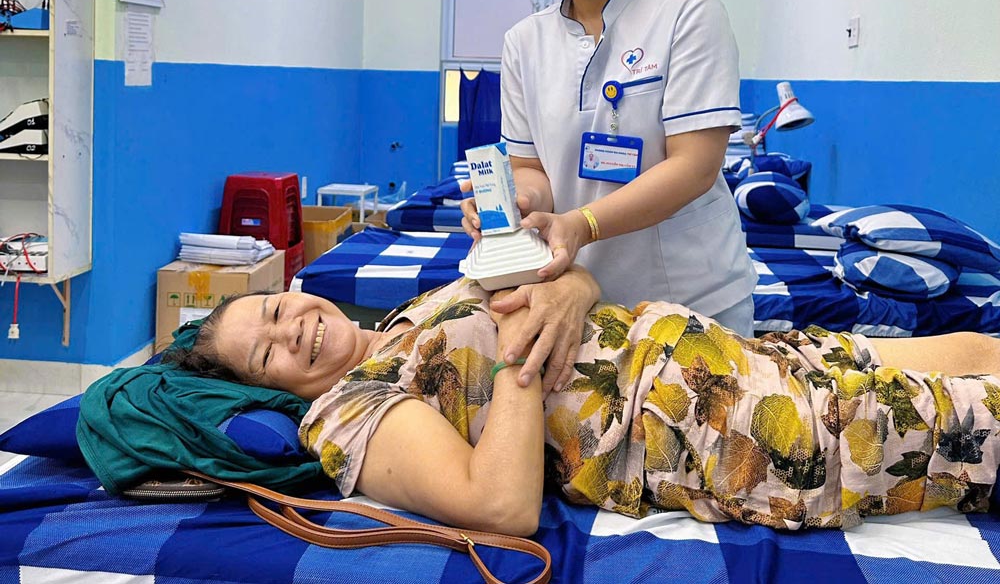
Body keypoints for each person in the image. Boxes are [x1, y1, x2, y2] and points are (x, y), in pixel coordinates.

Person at [164, 273, 1000, 538]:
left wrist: (564, 283)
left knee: (978, 353)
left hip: (756, 358)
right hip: (726, 427)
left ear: (297, 289)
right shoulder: (348, 413)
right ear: (268, 389)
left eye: (277, 311)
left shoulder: (399, 322)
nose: (293, 333)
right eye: (266, 354)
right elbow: (497, 506)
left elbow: (572, 295)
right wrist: (524, 351)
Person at [460, 0, 758, 352]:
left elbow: (694, 165)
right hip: (579, 302)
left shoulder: (688, 14)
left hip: (693, 301)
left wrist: (583, 223)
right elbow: (532, 169)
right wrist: (513, 205)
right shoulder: (524, 42)